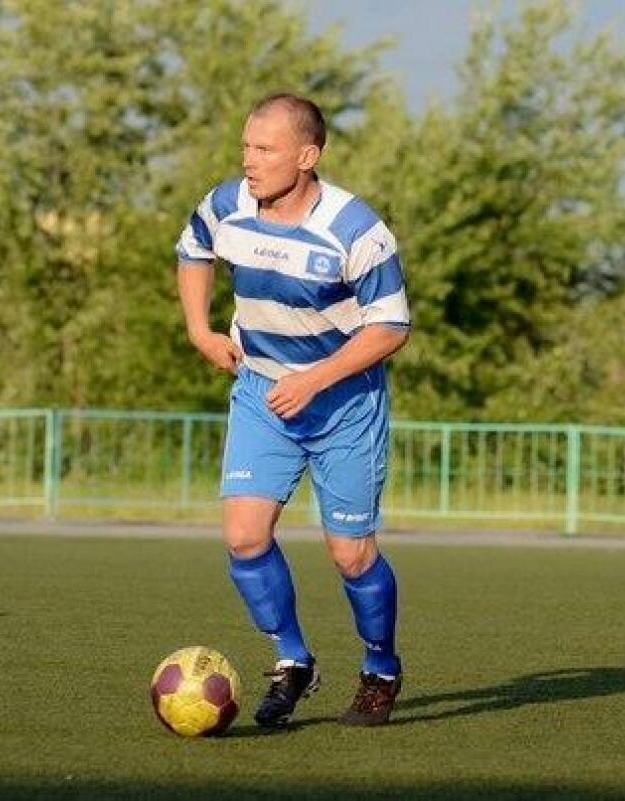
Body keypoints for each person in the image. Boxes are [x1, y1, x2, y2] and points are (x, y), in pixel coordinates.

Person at [175, 93, 411, 726]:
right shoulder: (227, 204)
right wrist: (199, 331)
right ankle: (292, 659)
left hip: (344, 403)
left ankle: (381, 668)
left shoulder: (356, 229)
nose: (249, 161)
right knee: (244, 537)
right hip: (261, 392)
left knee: (351, 554)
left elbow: (391, 326)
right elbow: (193, 249)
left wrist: (317, 379)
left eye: (265, 149)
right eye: (246, 147)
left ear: (307, 157)